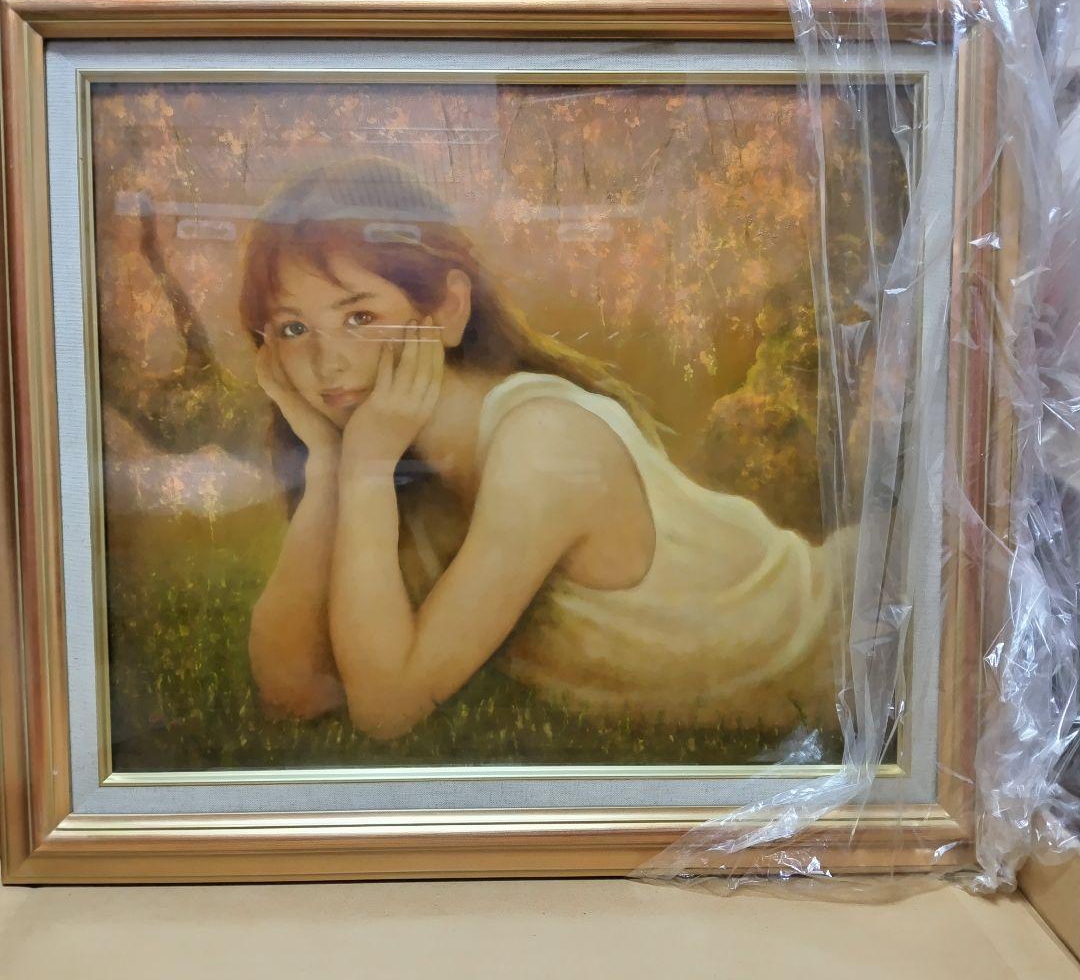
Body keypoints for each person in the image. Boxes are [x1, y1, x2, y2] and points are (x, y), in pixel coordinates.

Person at [242, 156, 844, 741]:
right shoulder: (395, 464)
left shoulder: (542, 443)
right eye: (294, 328)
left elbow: (387, 709)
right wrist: (328, 468)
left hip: (845, 637)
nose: (327, 362)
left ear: (447, 309)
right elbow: (294, 693)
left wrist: (365, 471)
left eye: (360, 317)